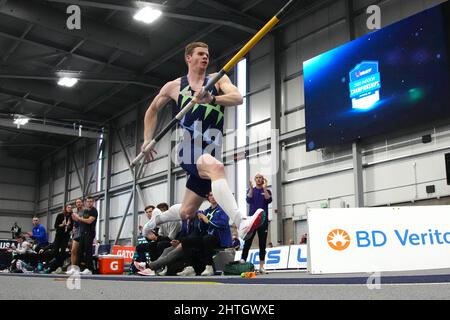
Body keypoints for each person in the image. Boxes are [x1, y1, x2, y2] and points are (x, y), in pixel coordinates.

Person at [141, 42, 263, 241]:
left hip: (211, 149)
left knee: (187, 212)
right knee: (216, 168)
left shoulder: (217, 80)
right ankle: (241, 222)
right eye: (200, 54)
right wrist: (148, 138)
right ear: (188, 58)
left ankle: (155, 220)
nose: (205, 57)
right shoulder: (175, 86)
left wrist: (212, 100)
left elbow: (238, 98)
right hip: (189, 148)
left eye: (207, 54)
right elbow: (152, 109)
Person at [177, 192, 232, 276]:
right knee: (186, 240)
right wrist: (200, 220)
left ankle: (209, 267)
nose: (212, 197)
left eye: (214, 194)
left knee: (207, 238)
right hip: (206, 238)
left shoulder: (223, 209)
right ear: (208, 198)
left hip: (220, 239)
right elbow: (202, 229)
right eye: (210, 195)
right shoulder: (206, 211)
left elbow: (222, 224)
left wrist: (207, 220)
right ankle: (189, 267)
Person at [240, 173, 272, 274]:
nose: (258, 180)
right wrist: (250, 188)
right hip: (252, 221)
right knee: (247, 242)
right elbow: (248, 200)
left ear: (263, 180)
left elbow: (268, 199)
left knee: (262, 244)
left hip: (263, 221)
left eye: (260, 178)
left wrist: (265, 188)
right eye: (256, 178)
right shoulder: (251, 190)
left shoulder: (267, 191)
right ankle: (243, 261)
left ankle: (261, 266)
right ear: (255, 180)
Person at [71, 196, 98, 275]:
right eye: (88, 201)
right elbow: (82, 221)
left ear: (93, 202)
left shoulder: (94, 210)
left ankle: (89, 269)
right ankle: (78, 268)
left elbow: (89, 221)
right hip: (83, 233)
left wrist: (79, 218)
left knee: (88, 251)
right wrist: (75, 219)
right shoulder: (86, 211)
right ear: (86, 202)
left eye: (90, 201)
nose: (89, 203)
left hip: (90, 233)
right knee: (80, 251)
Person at [51, 203, 73, 273]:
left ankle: (60, 266)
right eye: (68, 207)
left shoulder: (71, 217)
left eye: (71, 207)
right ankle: (55, 265)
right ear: (65, 208)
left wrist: (69, 226)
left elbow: (71, 227)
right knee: (55, 250)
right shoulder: (60, 215)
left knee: (63, 251)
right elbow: (55, 226)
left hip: (66, 236)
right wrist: (62, 225)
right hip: (59, 235)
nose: (70, 208)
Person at [67, 198, 83, 274]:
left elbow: (86, 221)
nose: (78, 203)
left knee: (80, 252)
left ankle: (80, 268)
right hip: (76, 234)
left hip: (84, 233)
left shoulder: (85, 211)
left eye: (80, 202)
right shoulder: (74, 212)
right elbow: (75, 224)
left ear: (82, 203)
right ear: (76, 204)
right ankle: (73, 268)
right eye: (77, 202)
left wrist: (77, 219)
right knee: (73, 250)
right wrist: (72, 225)